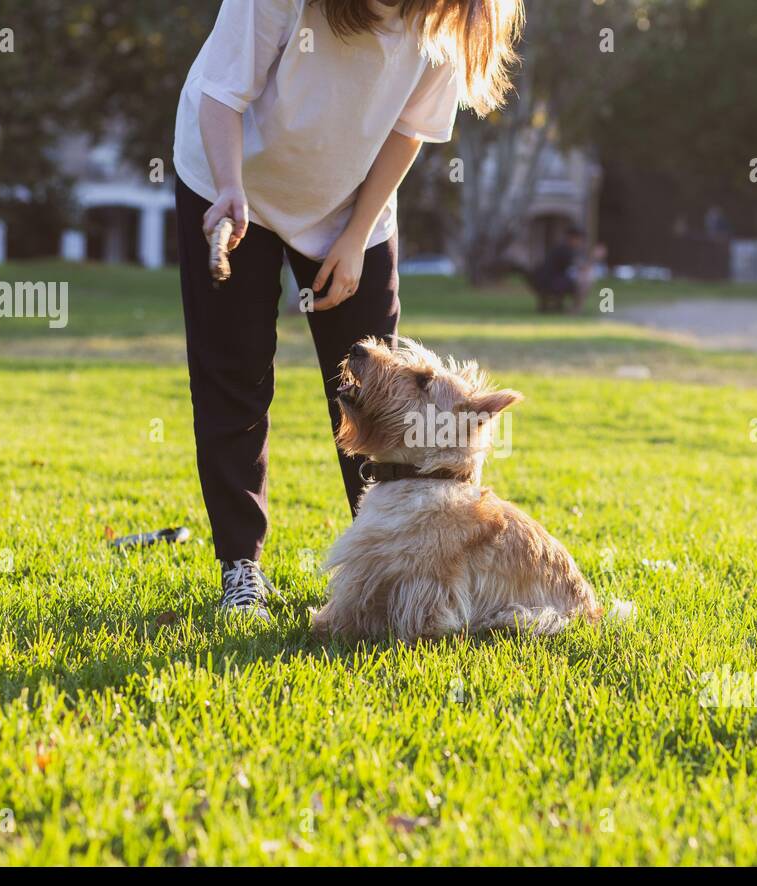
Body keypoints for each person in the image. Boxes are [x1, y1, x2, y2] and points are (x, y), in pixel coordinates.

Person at [172, 0, 523, 619]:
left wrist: (357, 236)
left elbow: (408, 129)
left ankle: (386, 562)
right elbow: (222, 94)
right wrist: (229, 189)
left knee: (376, 388)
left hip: (351, 204)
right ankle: (241, 569)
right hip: (231, 179)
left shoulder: (448, 13)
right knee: (235, 374)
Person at [530, 226, 584, 312]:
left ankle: (562, 306)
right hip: (549, 281)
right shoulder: (565, 249)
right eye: (579, 239)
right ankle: (575, 309)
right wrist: (595, 258)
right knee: (580, 283)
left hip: (544, 279)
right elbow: (580, 266)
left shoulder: (562, 247)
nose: (580, 242)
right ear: (572, 238)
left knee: (573, 281)